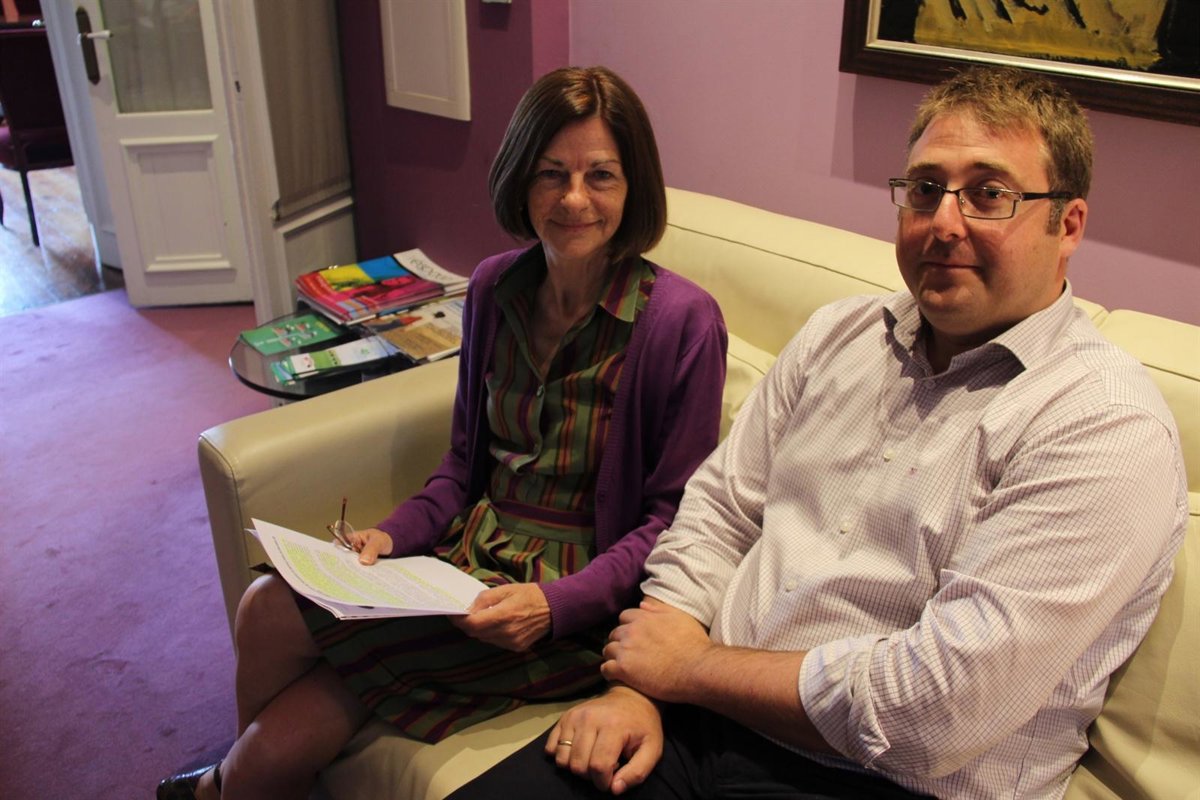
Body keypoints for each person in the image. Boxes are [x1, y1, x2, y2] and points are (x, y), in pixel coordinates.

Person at [450, 65, 1189, 799]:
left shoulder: (1101, 423)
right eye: (924, 189)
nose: (943, 222)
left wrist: (688, 669)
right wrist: (638, 687)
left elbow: (939, 710)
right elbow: (719, 511)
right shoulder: (839, 336)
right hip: (694, 725)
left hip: (880, 779)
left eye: (989, 194)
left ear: (1068, 225)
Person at [156, 65, 727, 800]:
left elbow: (672, 521)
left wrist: (556, 605)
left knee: (306, 713)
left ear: (634, 185)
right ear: (521, 179)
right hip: (462, 565)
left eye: (601, 175)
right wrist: (390, 537)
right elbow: (462, 466)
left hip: (574, 604)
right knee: (264, 604)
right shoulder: (494, 286)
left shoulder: (682, 321)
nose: (574, 199)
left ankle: (220, 788)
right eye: (551, 173)